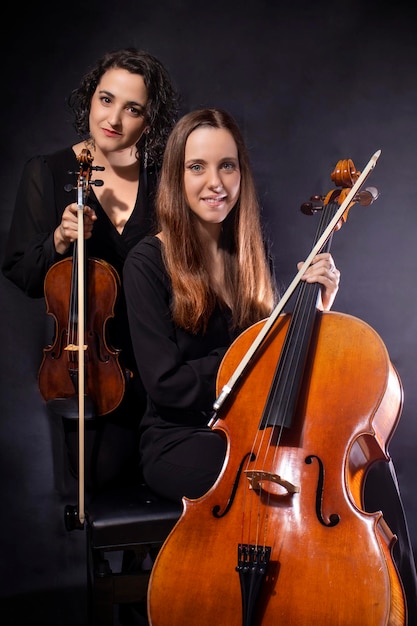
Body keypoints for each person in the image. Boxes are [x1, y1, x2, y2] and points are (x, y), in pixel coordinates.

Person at [123, 108, 417, 622]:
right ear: (176, 177)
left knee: (375, 477)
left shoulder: (250, 254)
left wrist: (311, 315)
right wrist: (254, 350)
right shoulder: (148, 262)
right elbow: (167, 386)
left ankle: (390, 607)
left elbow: (281, 365)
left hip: (259, 429)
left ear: (242, 175)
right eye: (197, 168)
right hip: (181, 438)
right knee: (274, 485)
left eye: (228, 167)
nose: (215, 183)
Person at [2, 47, 180, 492]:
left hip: (165, 365)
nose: (113, 119)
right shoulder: (48, 171)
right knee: (102, 492)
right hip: (91, 373)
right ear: (90, 98)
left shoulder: (166, 178)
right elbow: (22, 273)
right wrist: (59, 240)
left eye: (132, 109)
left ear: (149, 121)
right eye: (105, 99)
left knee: (173, 505)